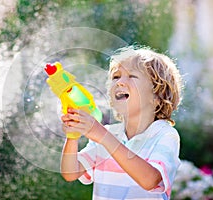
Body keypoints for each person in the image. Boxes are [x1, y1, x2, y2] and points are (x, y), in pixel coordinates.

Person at [60, 46, 183, 200]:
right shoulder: (108, 134)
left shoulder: (164, 135)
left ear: (156, 97)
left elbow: (149, 180)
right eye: (116, 77)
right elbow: (70, 172)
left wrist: (103, 136)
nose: (119, 83)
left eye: (132, 76)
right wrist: (73, 136)